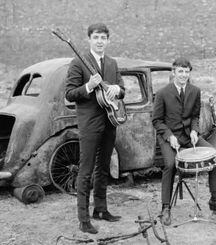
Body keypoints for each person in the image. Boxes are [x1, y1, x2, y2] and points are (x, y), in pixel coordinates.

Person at [152, 57, 216, 226]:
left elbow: (195, 116)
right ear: (173, 72)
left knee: (214, 155)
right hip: (169, 137)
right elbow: (157, 121)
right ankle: (165, 208)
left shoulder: (195, 91)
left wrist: (195, 130)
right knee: (169, 164)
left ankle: (215, 200)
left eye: (186, 72)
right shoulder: (162, 93)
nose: (183, 75)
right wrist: (170, 136)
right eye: (180, 71)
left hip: (189, 136)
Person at [65, 23, 125, 234]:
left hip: (110, 121)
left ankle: (101, 209)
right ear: (89, 39)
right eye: (96, 37)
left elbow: (122, 90)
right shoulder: (78, 63)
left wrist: (117, 89)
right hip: (89, 124)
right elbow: (70, 94)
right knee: (86, 170)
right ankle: (83, 219)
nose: (100, 41)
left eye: (103, 38)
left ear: (108, 41)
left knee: (104, 167)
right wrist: (89, 86)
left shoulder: (112, 63)